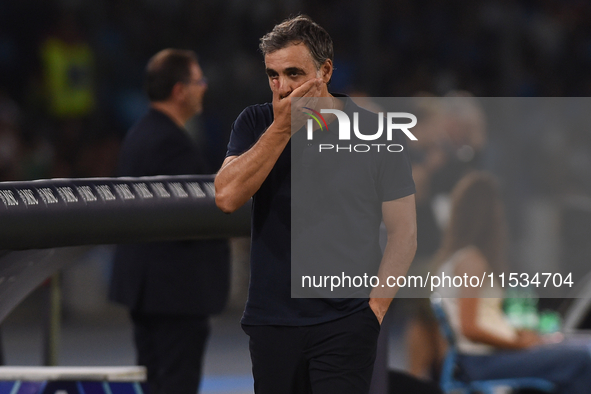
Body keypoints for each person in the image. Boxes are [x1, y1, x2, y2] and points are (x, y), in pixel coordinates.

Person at [214, 15, 417, 394]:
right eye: (273, 75)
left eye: (294, 73)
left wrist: (374, 312)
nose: (283, 86)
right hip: (271, 323)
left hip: (346, 323)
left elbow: (404, 232)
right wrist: (282, 128)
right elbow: (226, 197)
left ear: (325, 70)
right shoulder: (255, 122)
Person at [109, 48, 229, 394]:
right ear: (179, 90)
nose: (204, 87)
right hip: (174, 295)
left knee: (155, 382)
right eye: (198, 80)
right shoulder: (170, 143)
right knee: (175, 383)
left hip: (150, 291)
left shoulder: (140, 133)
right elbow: (200, 214)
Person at [435, 171, 591, 394]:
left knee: (570, 354)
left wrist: (520, 335)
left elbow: (484, 321)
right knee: (579, 361)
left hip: (485, 357)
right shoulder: (471, 261)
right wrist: (519, 345)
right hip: (480, 363)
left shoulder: (460, 258)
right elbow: (469, 328)